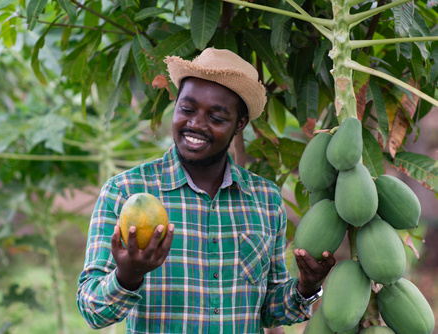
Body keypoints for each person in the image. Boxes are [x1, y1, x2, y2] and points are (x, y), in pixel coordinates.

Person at [76, 48, 335, 333]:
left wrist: (305, 286)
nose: (196, 124)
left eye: (217, 117)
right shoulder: (125, 191)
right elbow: (92, 311)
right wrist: (128, 275)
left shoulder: (265, 199)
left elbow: (269, 310)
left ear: (240, 124)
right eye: (187, 109)